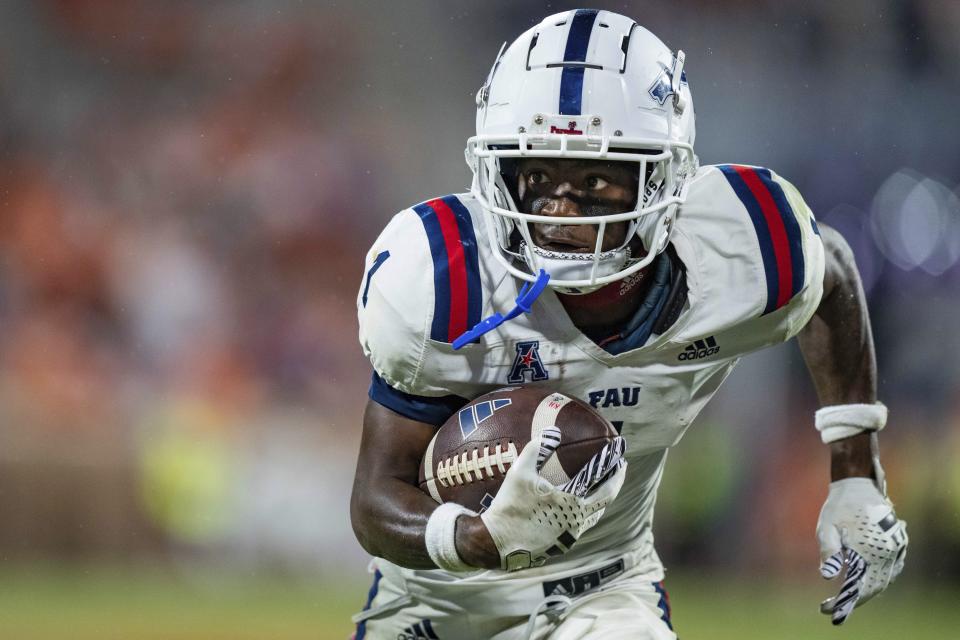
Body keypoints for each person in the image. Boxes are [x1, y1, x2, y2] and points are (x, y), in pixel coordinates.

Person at [350, 9, 907, 640]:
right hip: (439, 594)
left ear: (666, 178)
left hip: (602, 581)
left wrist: (856, 469)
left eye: (595, 179)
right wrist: (477, 536)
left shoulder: (743, 252)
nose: (559, 209)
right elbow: (374, 500)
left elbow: (830, 267)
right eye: (536, 176)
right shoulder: (442, 280)